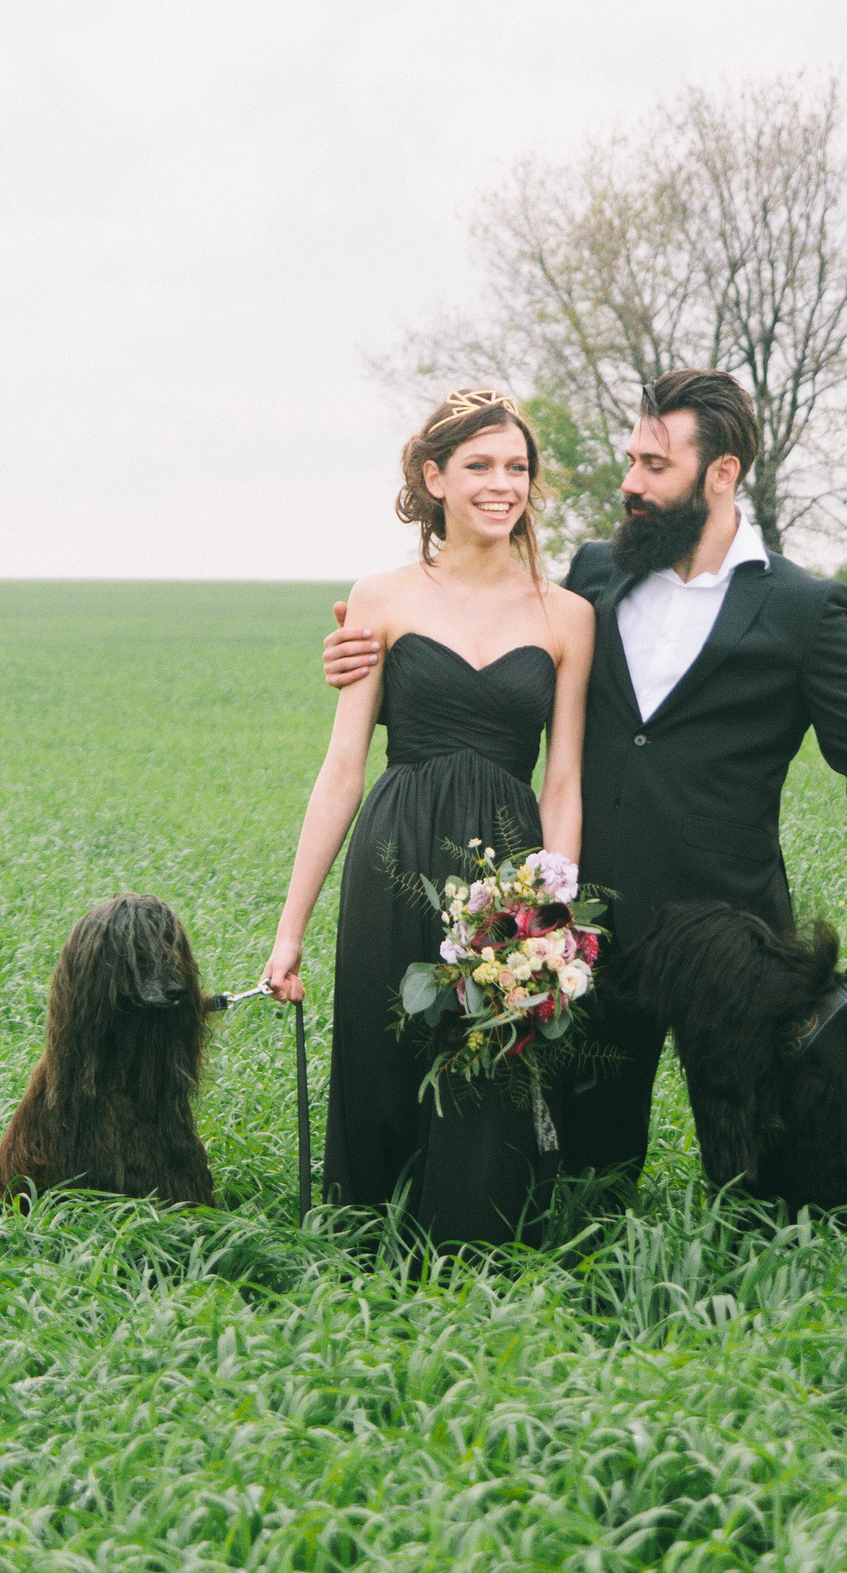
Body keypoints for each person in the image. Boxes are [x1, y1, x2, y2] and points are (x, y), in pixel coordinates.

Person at [322, 370, 847, 1188]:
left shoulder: (801, 608)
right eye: (632, 458)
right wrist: (369, 660)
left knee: (759, 1167)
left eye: (654, 464)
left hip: (730, 933)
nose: (630, 482)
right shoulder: (597, 575)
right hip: (593, 924)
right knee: (588, 1170)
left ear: (721, 475)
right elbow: (497, 665)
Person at [264, 388, 597, 1243]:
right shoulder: (380, 597)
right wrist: (289, 928)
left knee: (490, 1059)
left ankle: (476, 1255)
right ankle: (364, 1249)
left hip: (509, 869)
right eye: (480, 466)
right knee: (380, 1058)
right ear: (433, 477)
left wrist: (555, 915)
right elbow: (342, 768)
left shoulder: (568, 615)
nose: (502, 484)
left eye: (517, 467)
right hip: (394, 848)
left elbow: (562, 777)